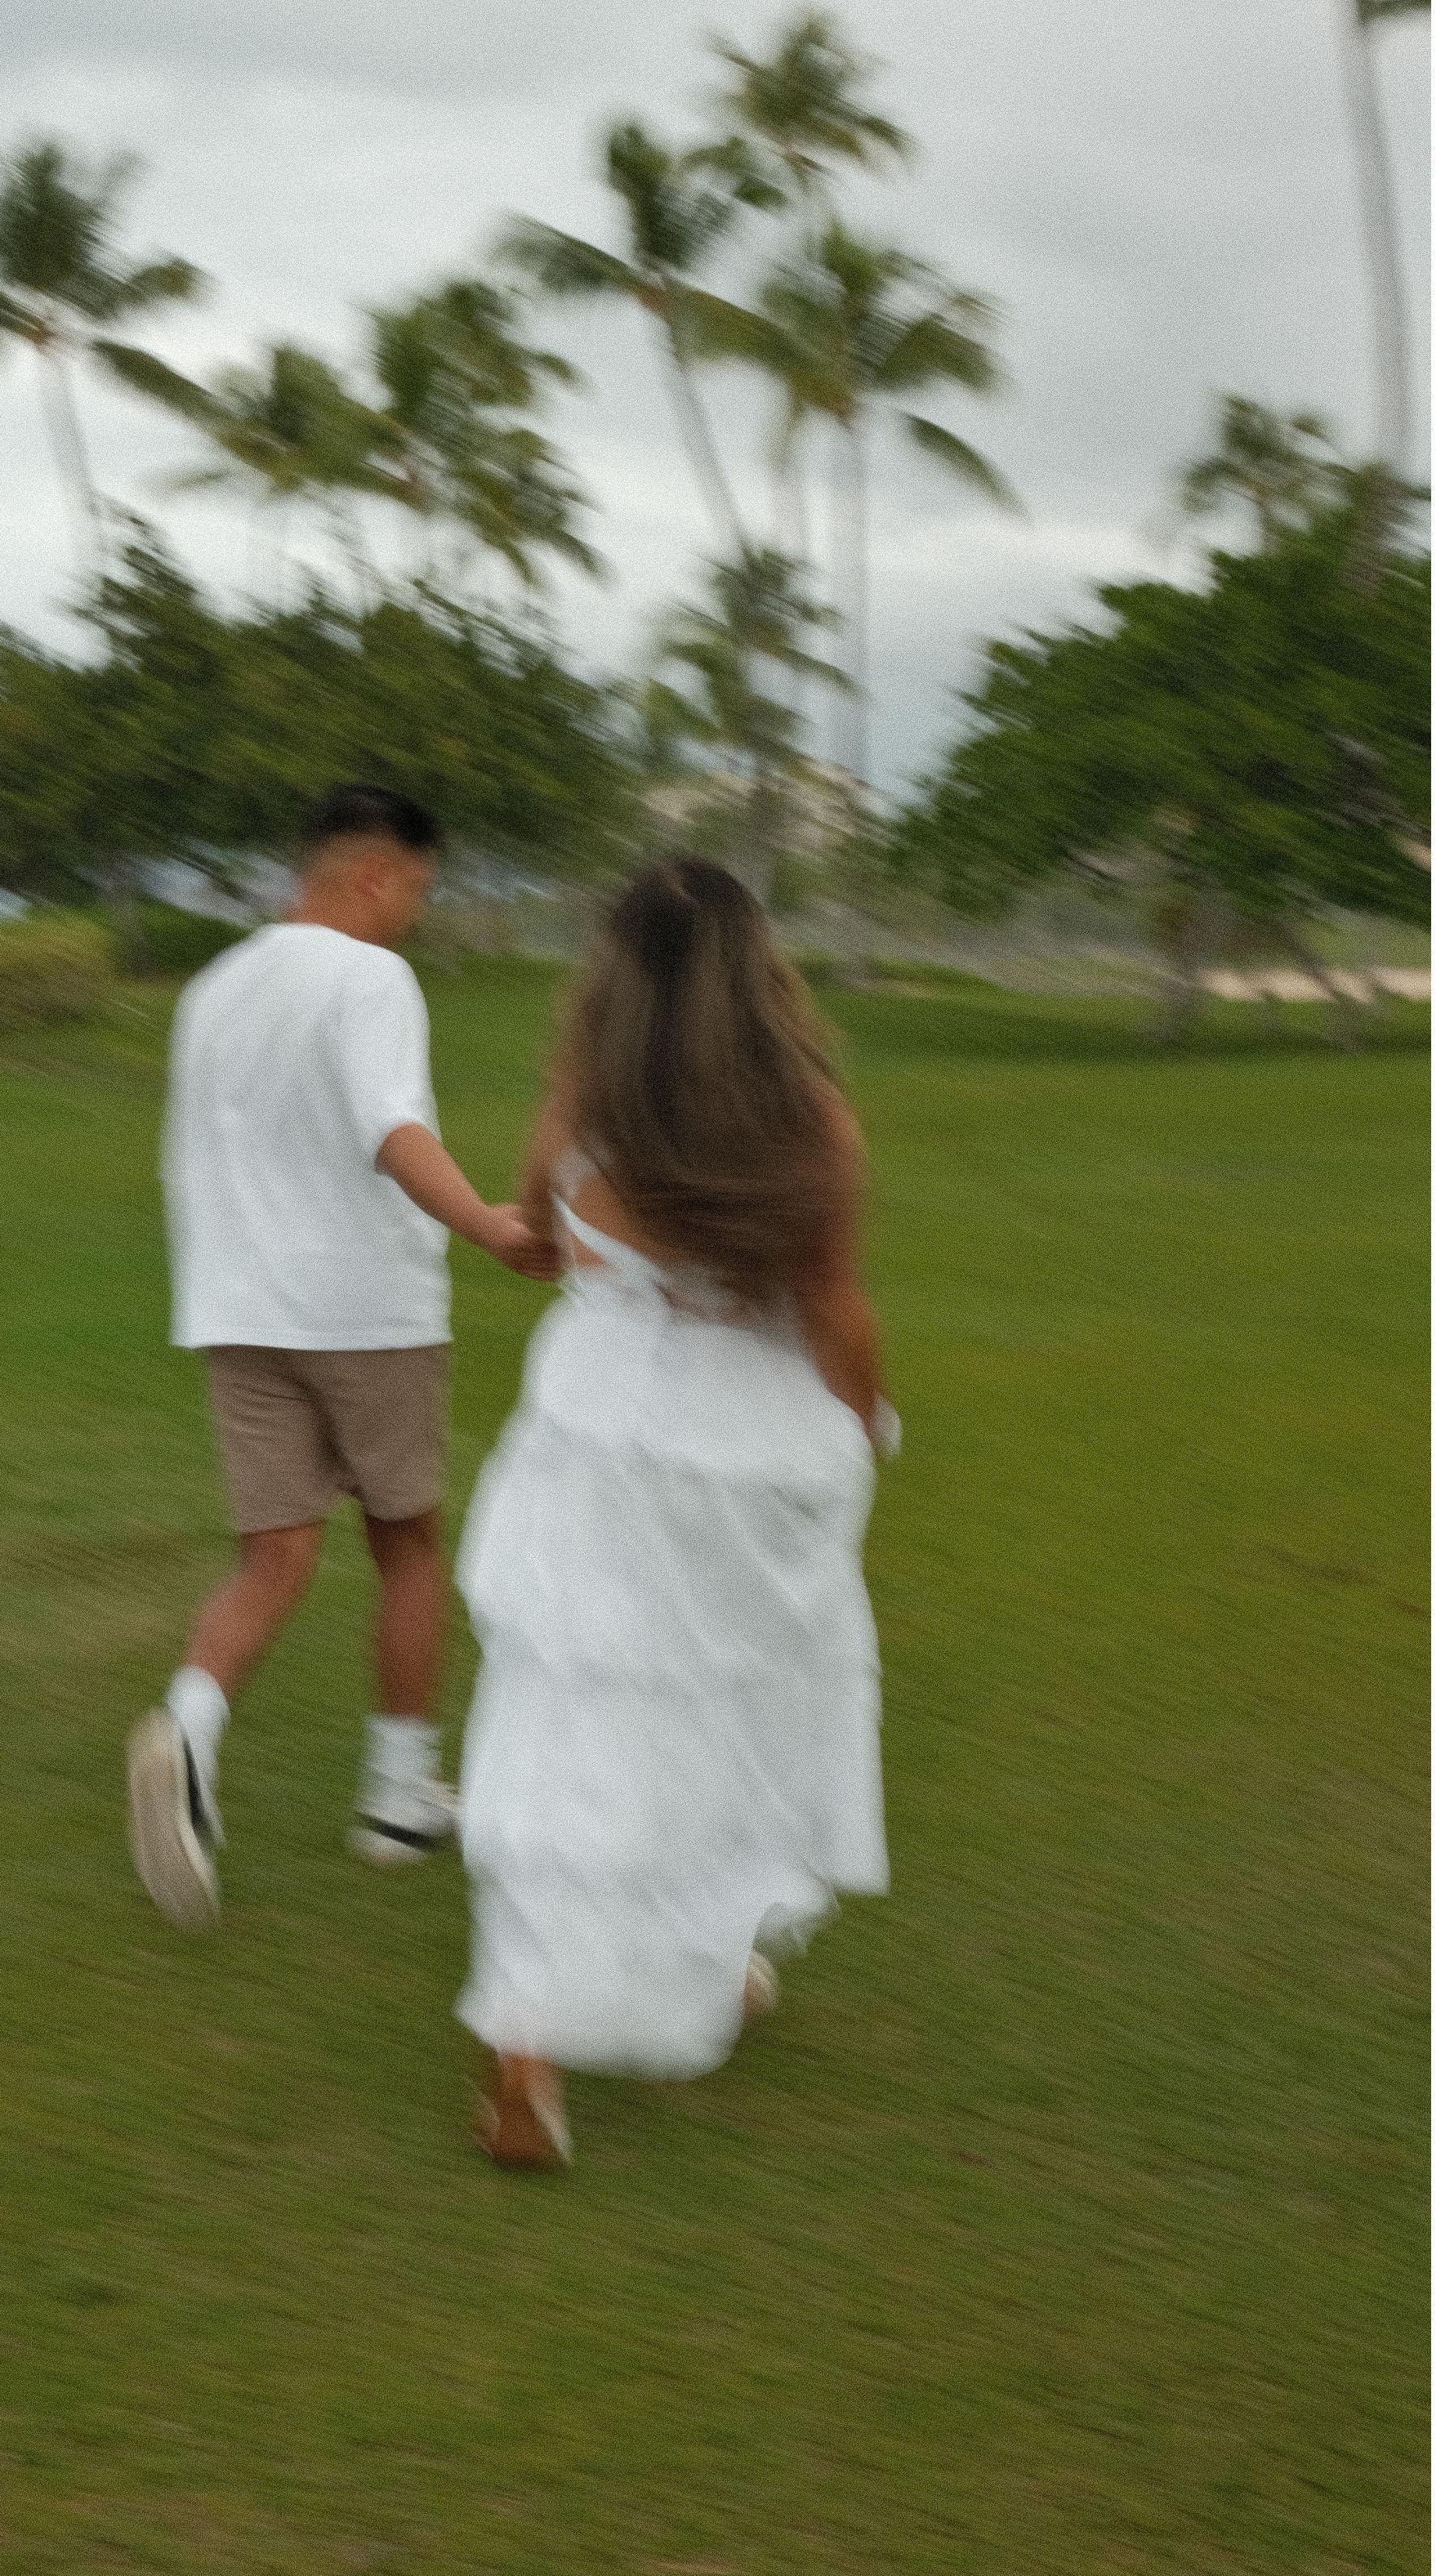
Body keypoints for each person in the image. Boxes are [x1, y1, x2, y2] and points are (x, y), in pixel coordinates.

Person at [453, 856, 896, 2168]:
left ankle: (529, 2039)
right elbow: (833, 1305)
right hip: (747, 1433)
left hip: (601, 1420)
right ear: (757, 970)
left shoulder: (581, 1103)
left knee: (570, 1711)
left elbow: (542, 1234)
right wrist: (867, 1419)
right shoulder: (809, 1121)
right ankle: (713, 1947)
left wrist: (562, 1243)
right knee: (730, 1709)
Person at [127, 784, 558, 1933]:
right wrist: (490, 1226)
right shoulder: (371, 978)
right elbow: (392, 1129)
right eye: (417, 889)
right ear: (374, 874)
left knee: (273, 1557)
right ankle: (398, 1800)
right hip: (368, 1312)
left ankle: (187, 1727)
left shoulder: (215, 988)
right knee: (407, 1545)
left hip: (236, 1308)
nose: (415, 912)